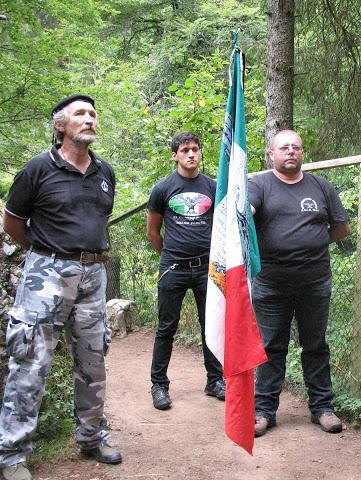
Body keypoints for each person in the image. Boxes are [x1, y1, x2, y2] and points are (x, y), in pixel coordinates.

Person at [0, 94, 122, 480]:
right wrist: (47, 255)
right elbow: (13, 224)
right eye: (80, 114)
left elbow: (100, 221)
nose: (89, 119)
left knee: (93, 361)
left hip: (93, 275)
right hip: (46, 274)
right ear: (60, 125)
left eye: (93, 114)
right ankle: (12, 456)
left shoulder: (105, 173)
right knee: (31, 361)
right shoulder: (38, 169)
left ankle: (91, 437)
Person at [249, 130, 350, 437]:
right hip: (269, 284)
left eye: (295, 147)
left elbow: (341, 228)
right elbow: (246, 214)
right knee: (269, 347)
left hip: (314, 282)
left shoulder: (321, 187)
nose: (290, 151)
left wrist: (311, 245)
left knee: (315, 346)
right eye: (284, 147)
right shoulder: (260, 185)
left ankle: (322, 408)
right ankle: (264, 411)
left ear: (302, 153)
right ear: (271, 153)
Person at [146, 131, 225, 410]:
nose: (191, 154)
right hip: (174, 269)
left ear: (200, 152)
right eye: (185, 150)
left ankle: (215, 380)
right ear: (175, 155)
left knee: (212, 325)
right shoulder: (163, 188)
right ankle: (159, 385)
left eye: (195, 149)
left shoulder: (214, 187)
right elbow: (153, 231)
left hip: (207, 268)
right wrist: (171, 255)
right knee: (166, 327)